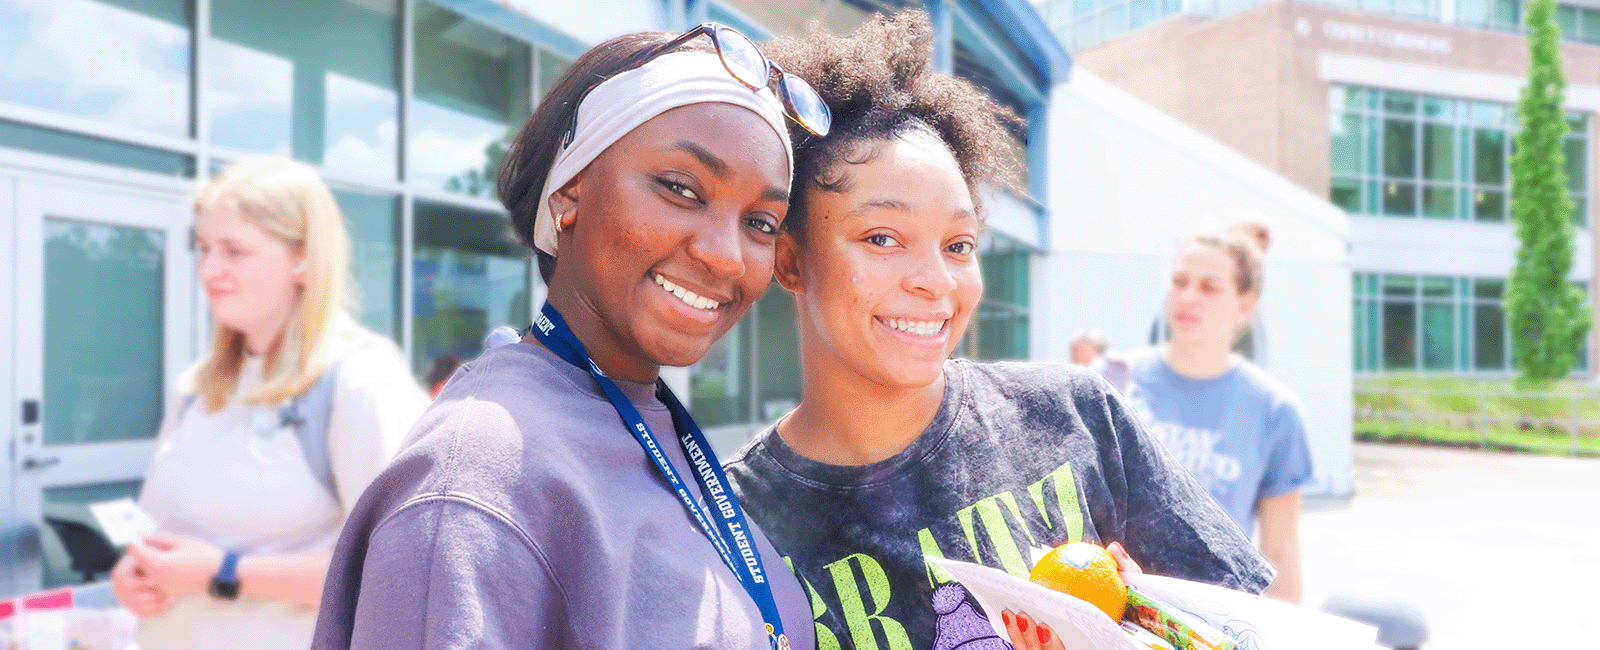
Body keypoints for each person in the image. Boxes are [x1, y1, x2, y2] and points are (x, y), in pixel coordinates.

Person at [720, 13, 1272, 650]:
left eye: (958, 244)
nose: (936, 281)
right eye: (882, 238)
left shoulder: (1077, 417)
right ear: (792, 259)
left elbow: (1242, 629)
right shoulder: (739, 524)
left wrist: (1155, 626)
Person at [312, 23, 830, 650]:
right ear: (569, 194)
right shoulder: (479, 480)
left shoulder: (646, 420)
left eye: (761, 222)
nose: (726, 257)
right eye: (680, 189)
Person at [109, 157, 429, 650]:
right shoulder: (198, 386)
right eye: (204, 248)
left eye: (234, 251)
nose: (209, 270)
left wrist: (225, 573)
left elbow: (404, 567)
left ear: (303, 259)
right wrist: (137, 573)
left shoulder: (359, 381)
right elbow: (164, 529)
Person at [1122, 222, 1314, 603]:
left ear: (1245, 305)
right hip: (1116, 615)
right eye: (1180, 281)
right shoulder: (1114, 383)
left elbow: (1280, 554)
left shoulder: (1275, 411)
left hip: (1216, 626)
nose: (1188, 297)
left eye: (1209, 287)